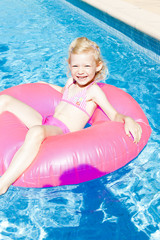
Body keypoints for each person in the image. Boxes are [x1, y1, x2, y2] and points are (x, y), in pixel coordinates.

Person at [0, 37, 142, 195]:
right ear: (70, 65)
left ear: (98, 66)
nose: (80, 71)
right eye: (76, 66)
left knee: (36, 132)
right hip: (47, 122)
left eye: (87, 66)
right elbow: (61, 92)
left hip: (62, 132)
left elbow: (113, 114)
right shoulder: (70, 83)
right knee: (4, 100)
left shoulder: (93, 91)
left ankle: (4, 182)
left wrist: (128, 119)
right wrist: (43, 84)